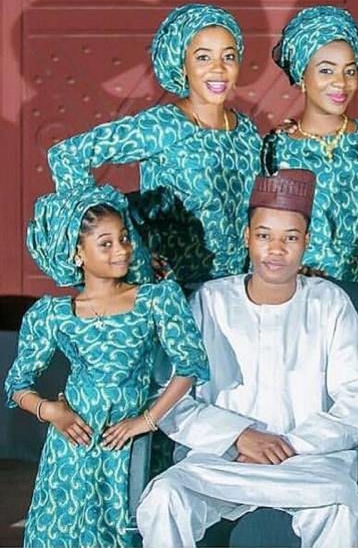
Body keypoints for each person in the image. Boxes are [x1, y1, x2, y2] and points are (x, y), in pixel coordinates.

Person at [136, 169, 358, 548]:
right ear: (247, 238)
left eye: (290, 238)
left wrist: (291, 445)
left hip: (308, 464)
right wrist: (238, 437)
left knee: (341, 513)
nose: (277, 249)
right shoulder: (209, 301)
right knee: (164, 498)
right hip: (222, 462)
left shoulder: (329, 302)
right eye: (265, 236)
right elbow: (172, 396)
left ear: (307, 242)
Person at [4, 185, 209, 548]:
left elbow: (189, 366)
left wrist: (145, 421)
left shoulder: (156, 300)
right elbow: (17, 384)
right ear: (78, 253)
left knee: (126, 532)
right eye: (107, 243)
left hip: (129, 442)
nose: (122, 250)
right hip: (71, 444)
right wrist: (51, 411)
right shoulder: (54, 314)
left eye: (124, 238)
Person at [46, 4, 262, 287]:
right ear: (182, 64)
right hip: (176, 292)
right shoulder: (163, 124)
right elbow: (66, 156)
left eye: (228, 56)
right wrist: (121, 241)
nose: (218, 69)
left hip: (239, 291)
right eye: (203, 57)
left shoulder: (247, 131)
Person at [265, 5, 358, 336]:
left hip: (356, 292)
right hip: (292, 294)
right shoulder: (275, 148)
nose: (340, 83)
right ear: (302, 75)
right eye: (326, 71)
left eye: (350, 70)